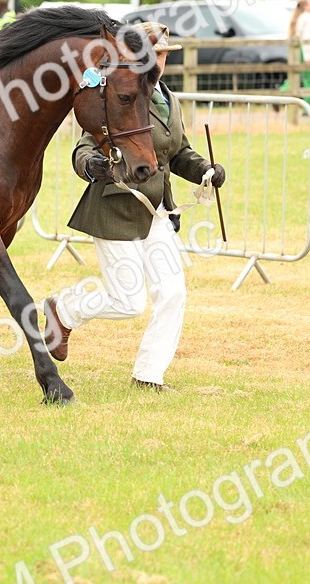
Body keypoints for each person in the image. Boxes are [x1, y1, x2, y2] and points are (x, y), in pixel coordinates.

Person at [41, 30, 227, 392]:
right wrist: (90, 164)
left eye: (163, 54)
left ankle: (149, 375)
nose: (159, 60)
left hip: (157, 210)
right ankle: (63, 311)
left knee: (173, 292)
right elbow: (85, 144)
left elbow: (177, 153)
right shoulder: (116, 94)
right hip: (116, 207)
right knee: (127, 301)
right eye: (152, 54)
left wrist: (205, 170)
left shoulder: (168, 100)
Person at [283, 0, 310, 107]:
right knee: (309, 79)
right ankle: (309, 106)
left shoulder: (298, 18)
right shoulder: (308, 18)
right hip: (305, 50)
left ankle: (280, 95)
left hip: (298, 49)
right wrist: (308, 56)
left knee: (294, 76)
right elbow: (306, 38)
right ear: (305, 6)